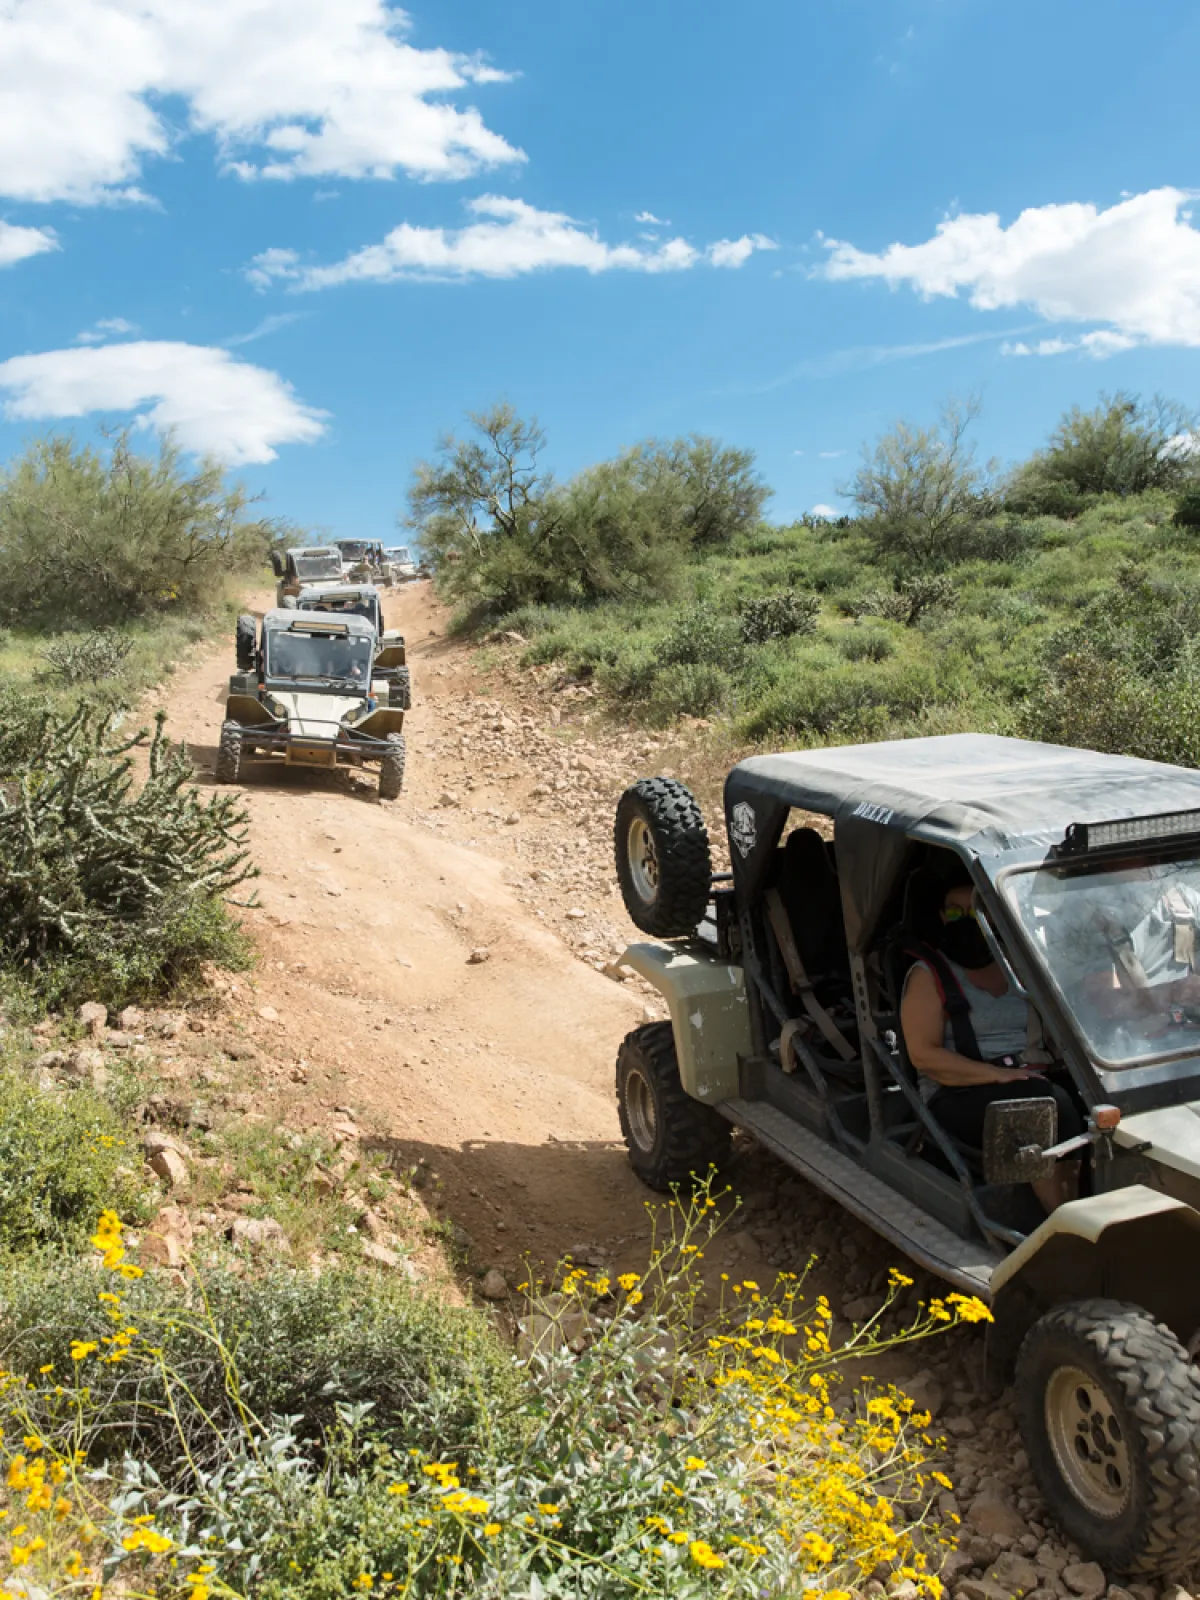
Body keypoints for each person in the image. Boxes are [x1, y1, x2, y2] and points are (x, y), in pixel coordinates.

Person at [900, 863, 1083, 1212]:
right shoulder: (929, 974)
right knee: (1046, 1105)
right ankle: (1063, 1218)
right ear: (942, 917)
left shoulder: (1021, 965)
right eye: (956, 912)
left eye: (975, 910)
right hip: (959, 1090)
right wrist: (995, 1075)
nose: (965, 920)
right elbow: (924, 1055)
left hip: (1031, 1073)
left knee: (1093, 1098)